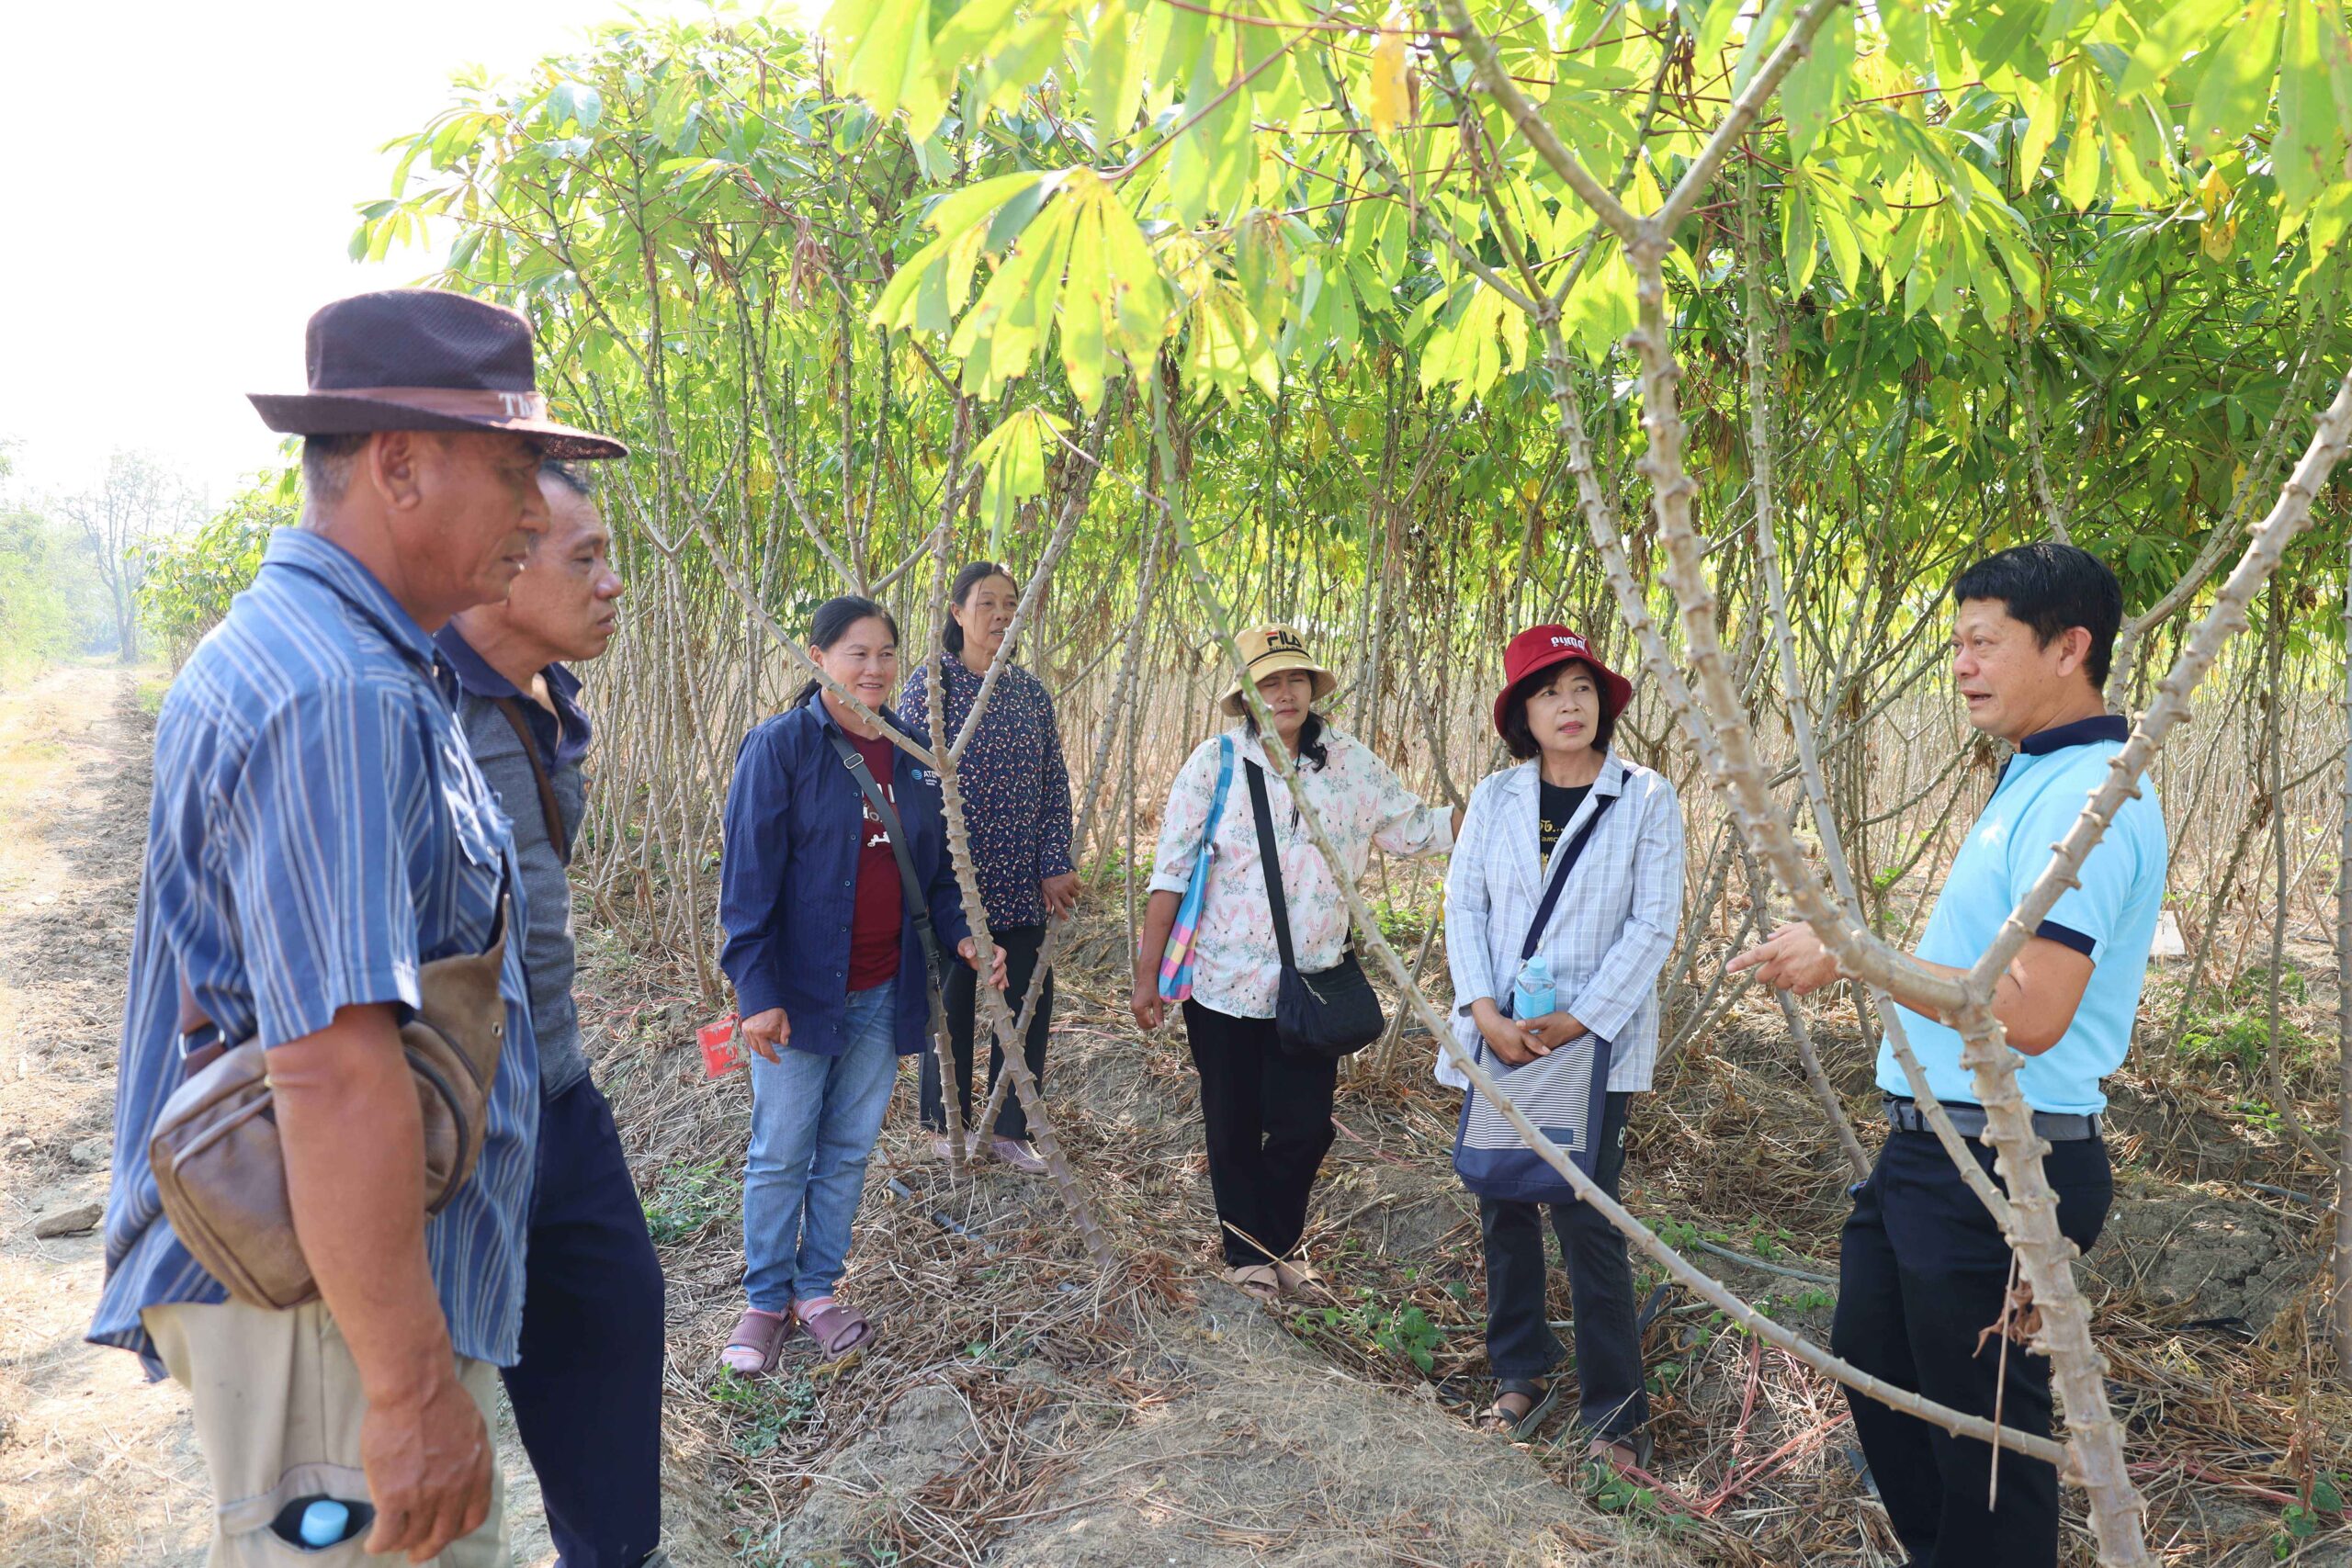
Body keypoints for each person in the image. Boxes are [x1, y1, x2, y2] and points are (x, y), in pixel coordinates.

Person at [90, 288, 626, 1566]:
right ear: (397, 466)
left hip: (327, 1289)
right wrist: (408, 1386)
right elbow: (331, 1066)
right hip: (324, 1308)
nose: (533, 511)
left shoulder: (344, 657)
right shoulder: (339, 692)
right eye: (513, 471)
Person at [1731, 543, 2166, 1568]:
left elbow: (2032, 1010)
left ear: (2069, 647)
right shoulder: (2036, 773)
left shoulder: (2087, 798)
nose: (1962, 666)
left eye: (1984, 642)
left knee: (1987, 1447)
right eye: (1956, 643)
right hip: (1933, 1150)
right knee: (1879, 1363)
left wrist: (1851, 952)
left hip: (2007, 1164)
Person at [437, 462, 667, 1567]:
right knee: (443, 1427)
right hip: (453, 1129)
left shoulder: (544, 699)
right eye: (587, 559)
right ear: (501, 559)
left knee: (616, 1334)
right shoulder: (410, 712)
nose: (612, 584)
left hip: (561, 1099)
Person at [716, 596, 1002, 1372]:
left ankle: (816, 1291)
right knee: (782, 1148)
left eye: (885, 654)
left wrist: (966, 936)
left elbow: (936, 879)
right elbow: (745, 886)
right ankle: (764, 1301)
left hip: (885, 989)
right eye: (857, 653)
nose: (874, 669)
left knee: (846, 1148)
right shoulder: (780, 748)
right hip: (798, 994)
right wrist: (756, 994)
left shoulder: (914, 754)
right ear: (818, 659)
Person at [1131, 625, 1457, 1299]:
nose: (1285, 693)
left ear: (1312, 688)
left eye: (1296, 679)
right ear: (1247, 696)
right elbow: (1171, 873)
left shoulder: (1348, 761)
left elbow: (1414, 828)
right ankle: (1246, 1254)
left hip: (1313, 983)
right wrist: (1147, 975)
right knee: (1232, 1122)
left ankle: (1277, 1244)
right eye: (1269, 682)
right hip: (1223, 983)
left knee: (1305, 1128)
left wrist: (1502, 803)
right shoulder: (1215, 764)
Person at [1442, 626, 1682, 1467]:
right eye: (1548, 692)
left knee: (1587, 1212)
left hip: (1593, 1041)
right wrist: (1483, 1010)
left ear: (1602, 703)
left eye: (1582, 687)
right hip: (1501, 1033)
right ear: (1524, 714)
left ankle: (1615, 1410)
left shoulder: (1644, 796)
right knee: (1503, 1198)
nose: (1568, 705)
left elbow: (1653, 923)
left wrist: (1580, 1019)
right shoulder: (1495, 797)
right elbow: (1464, 905)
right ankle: (1520, 1368)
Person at [901, 561, 1079, 1175]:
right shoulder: (931, 688)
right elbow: (911, 783)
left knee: (1027, 1001)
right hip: (952, 882)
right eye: (987, 603)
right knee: (948, 1004)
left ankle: (1011, 1129)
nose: (1002, 614)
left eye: (1011, 603)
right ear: (957, 613)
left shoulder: (1030, 693)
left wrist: (1054, 861)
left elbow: (1054, 784)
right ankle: (942, 1125)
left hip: (1021, 879)